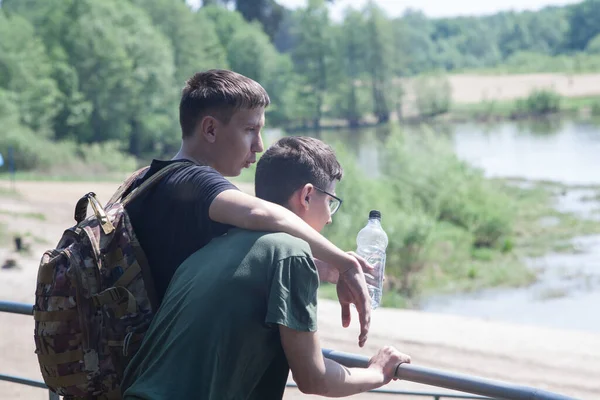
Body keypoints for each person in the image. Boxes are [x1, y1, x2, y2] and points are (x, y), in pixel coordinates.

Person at [121, 136, 411, 399]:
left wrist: (325, 270)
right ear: (307, 195)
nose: (330, 218)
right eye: (331, 202)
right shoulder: (291, 253)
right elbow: (314, 378)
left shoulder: (216, 245)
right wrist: (379, 371)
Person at [123, 69, 372, 346]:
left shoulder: (147, 179)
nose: (259, 145)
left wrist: (325, 269)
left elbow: (231, 261)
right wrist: (345, 262)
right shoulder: (194, 181)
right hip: (155, 370)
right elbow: (261, 213)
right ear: (210, 129)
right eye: (250, 130)